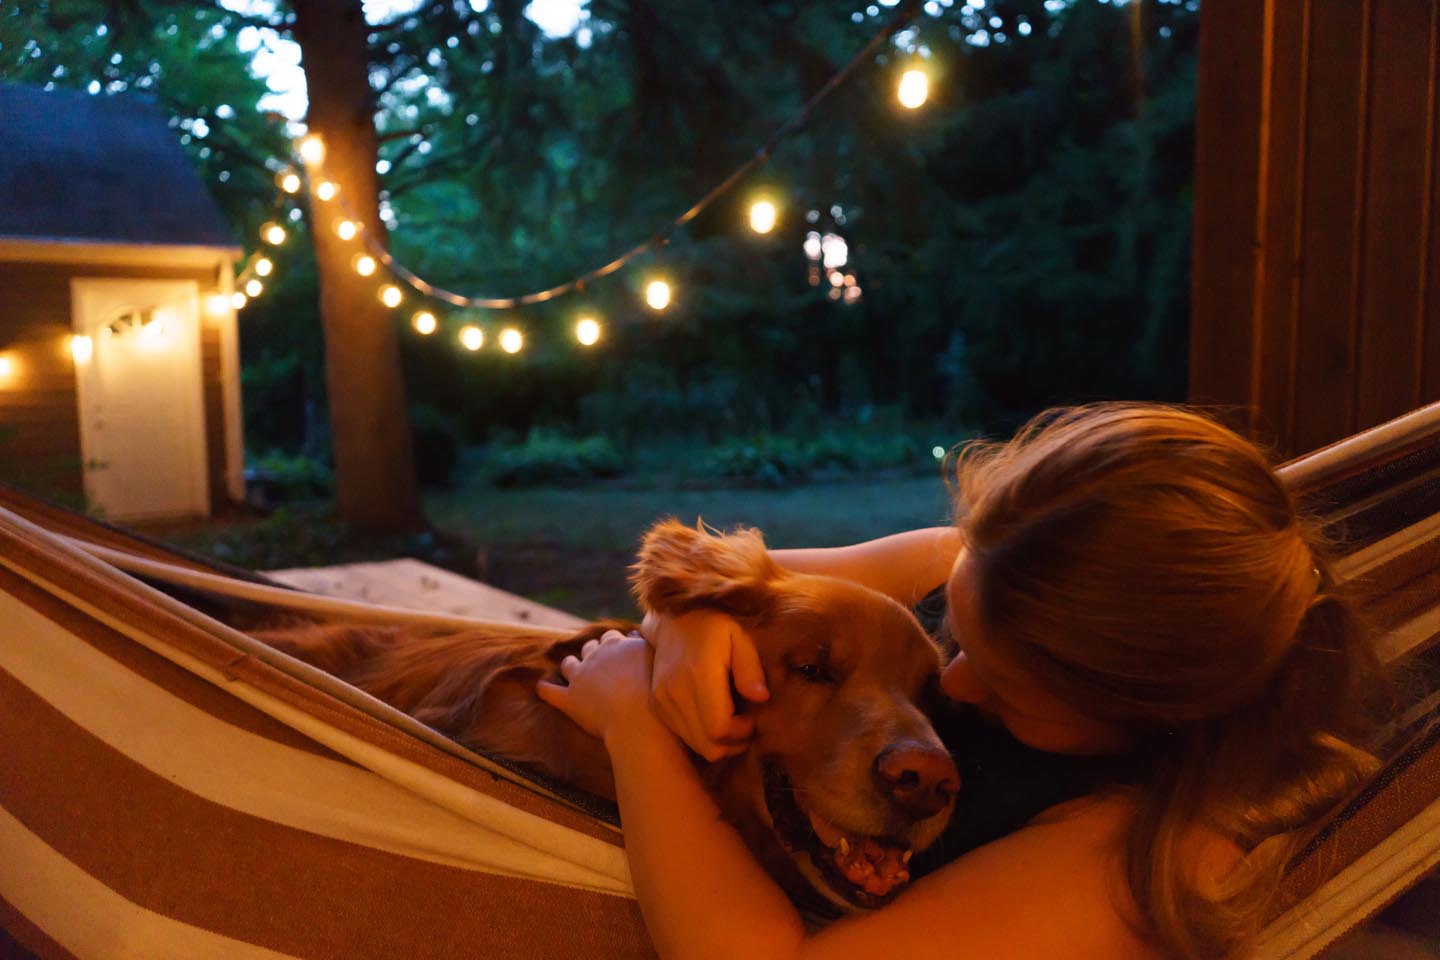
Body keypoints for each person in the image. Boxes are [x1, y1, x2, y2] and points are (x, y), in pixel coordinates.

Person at [537, 403, 1384, 960]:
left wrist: (634, 727)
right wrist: (685, 626)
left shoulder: (1148, 848)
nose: (957, 685)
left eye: (1007, 690)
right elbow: (720, 582)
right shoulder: (1000, 567)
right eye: (953, 631)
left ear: (1144, 713)